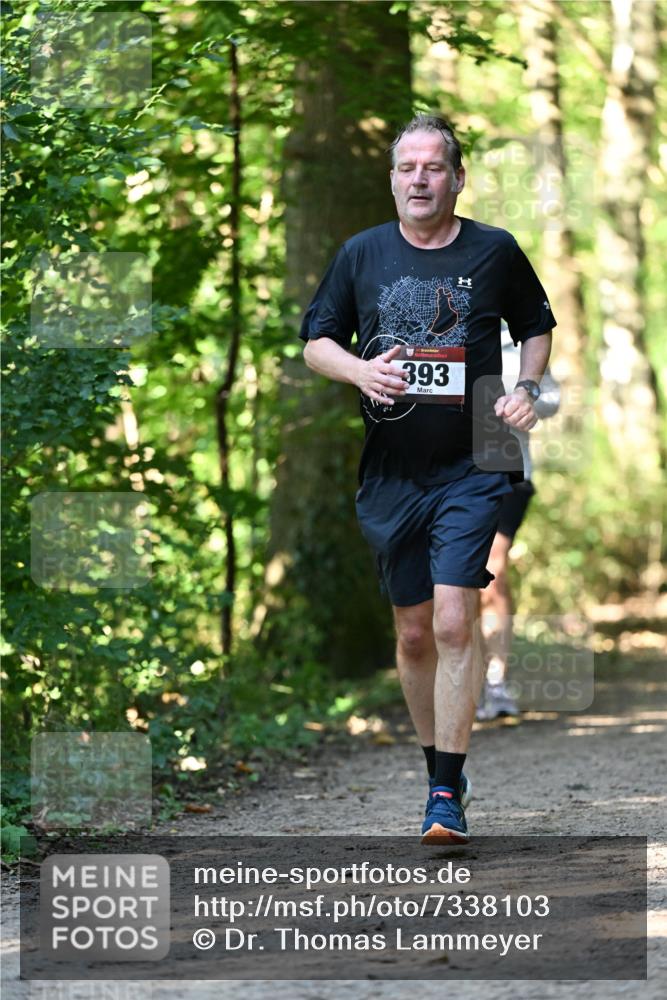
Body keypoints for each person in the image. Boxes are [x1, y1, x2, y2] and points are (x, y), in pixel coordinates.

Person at [299, 113, 556, 845]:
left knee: (451, 619)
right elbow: (316, 341)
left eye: (433, 167)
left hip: (478, 456)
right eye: (407, 168)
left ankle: (444, 793)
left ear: (457, 178)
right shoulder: (361, 253)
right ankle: (439, 768)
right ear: (392, 180)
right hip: (391, 472)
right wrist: (360, 370)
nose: (419, 179)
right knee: (413, 635)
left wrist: (526, 389)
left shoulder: (494, 250)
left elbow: (536, 325)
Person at [477, 329, 561, 721]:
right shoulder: (444, 329)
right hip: (448, 476)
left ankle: (496, 680)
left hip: (512, 472)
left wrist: (520, 399)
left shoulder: (522, 336)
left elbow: (552, 398)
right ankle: (462, 678)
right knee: (452, 579)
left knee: (492, 568)